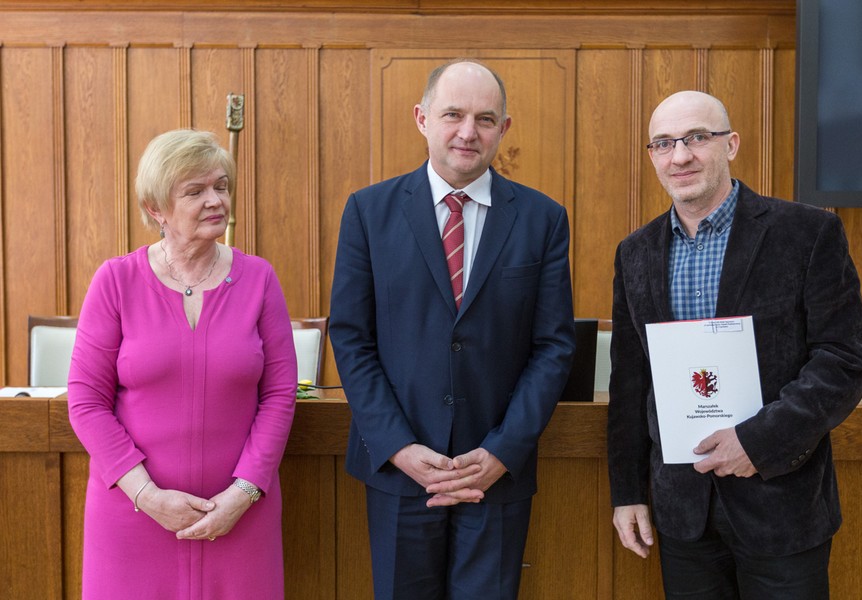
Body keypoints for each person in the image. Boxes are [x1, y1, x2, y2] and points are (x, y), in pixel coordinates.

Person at [607, 90, 862, 599]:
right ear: (653, 156)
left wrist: (757, 441)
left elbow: (846, 359)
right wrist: (627, 493)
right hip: (682, 514)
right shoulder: (634, 253)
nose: (680, 156)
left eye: (696, 138)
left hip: (781, 505)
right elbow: (630, 383)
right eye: (663, 143)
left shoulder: (808, 232)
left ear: (730, 144)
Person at [329, 59, 576, 600]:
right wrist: (398, 447)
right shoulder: (368, 212)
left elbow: (554, 347)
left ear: (503, 129)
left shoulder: (542, 219)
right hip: (400, 471)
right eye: (453, 115)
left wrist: (502, 452)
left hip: (494, 474)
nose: (469, 132)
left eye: (485, 119)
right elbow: (351, 338)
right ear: (422, 119)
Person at [68, 129, 297, 599]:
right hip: (133, 516)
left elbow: (278, 396)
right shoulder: (115, 281)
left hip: (239, 517)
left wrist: (243, 494)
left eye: (221, 186)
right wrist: (147, 496)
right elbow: (86, 401)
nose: (215, 200)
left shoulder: (259, 279)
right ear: (156, 208)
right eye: (195, 191)